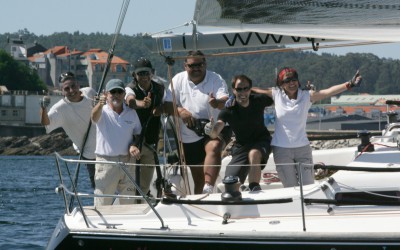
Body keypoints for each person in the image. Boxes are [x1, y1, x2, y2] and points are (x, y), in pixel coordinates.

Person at [252, 67, 362, 187]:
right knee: (290, 187)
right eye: (287, 81)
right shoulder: (276, 94)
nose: (291, 83)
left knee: (308, 186)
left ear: (298, 81)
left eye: (294, 79)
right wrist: (236, 93)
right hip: (281, 149)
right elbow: (255, 90)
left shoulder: (306, 95)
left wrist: (349, 84)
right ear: (281, 84)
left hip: (303, 149)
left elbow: (328, 92)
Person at [165, 50, 231, 194]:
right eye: (192, 65)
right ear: (185, 66)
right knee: (197, 177)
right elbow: (166, 105)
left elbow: (225, 101)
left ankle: (209, 187)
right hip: (188, 134)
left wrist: (216, 103)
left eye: (200, 64)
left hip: (215, 128)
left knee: (213, 146)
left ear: (205, 64)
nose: (196, 68)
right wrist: (180, 111)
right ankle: (201, 199)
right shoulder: (177, 79)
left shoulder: (215, 79)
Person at [205, 75, 274, 191]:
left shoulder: (258, 100)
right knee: (229, 180)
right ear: (233, 90)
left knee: (254, 154)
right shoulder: (229, 109)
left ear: (250, 89)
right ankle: (242, 189)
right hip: (242, 145)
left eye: (246, 88)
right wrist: (210, 129)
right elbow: (215, 132)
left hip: (262, 140)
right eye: (239, 89)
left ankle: (254, 187)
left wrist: (253, 90)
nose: (243, 92)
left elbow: (275, 94)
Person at [40, 72, 97, 189]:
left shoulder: (90, 92)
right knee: (98, 186)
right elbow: (46, 123)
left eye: (73, 86)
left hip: (109, 148)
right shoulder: (59, 108)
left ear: (78, 84)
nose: (71, 90)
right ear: (62, 91)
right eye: (67, 88)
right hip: (90, 153)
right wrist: (43, 108)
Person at [91, 79, 142, 206]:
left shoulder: (131, 113)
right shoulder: (101, 111)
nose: (116, 95)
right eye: (113, 92)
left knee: (129, 202)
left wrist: (134, 145)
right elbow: (93, 118)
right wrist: (99, 104)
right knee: (102, 203)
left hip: (128, 161)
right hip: (106, 162)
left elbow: (138, 133)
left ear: (124, 94)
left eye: (119, 91)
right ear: (106, 94)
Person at [125, 57, 166, 196]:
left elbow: (167, 105)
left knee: (145, 184)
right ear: (134, 76)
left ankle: (143, 203)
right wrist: (143, 104)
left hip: (150, 142)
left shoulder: (160, 88)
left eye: (146, 73)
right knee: (129, 184)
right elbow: (130, 101)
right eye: (140, 73)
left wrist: (159, 109)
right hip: (131, 144)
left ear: (152, 73)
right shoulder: (129, 88)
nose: (144, 76)